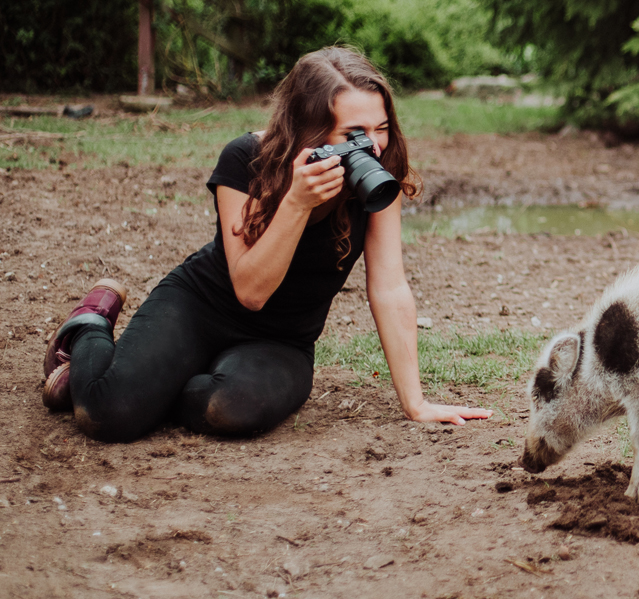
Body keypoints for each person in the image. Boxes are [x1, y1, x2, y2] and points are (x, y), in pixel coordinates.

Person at [41, 46, 492, 442]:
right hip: (201, 307)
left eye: (381, 128)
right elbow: (251, 292)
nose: (371, 147)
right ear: (308, 130)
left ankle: (159, 384)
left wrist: (415, 403)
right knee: (107, 413)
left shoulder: (376, 177)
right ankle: (88, 327)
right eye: (353, 134)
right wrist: (296, 202)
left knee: (229, 409)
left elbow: (390, 287)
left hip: (282, 341)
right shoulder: (245, 160)